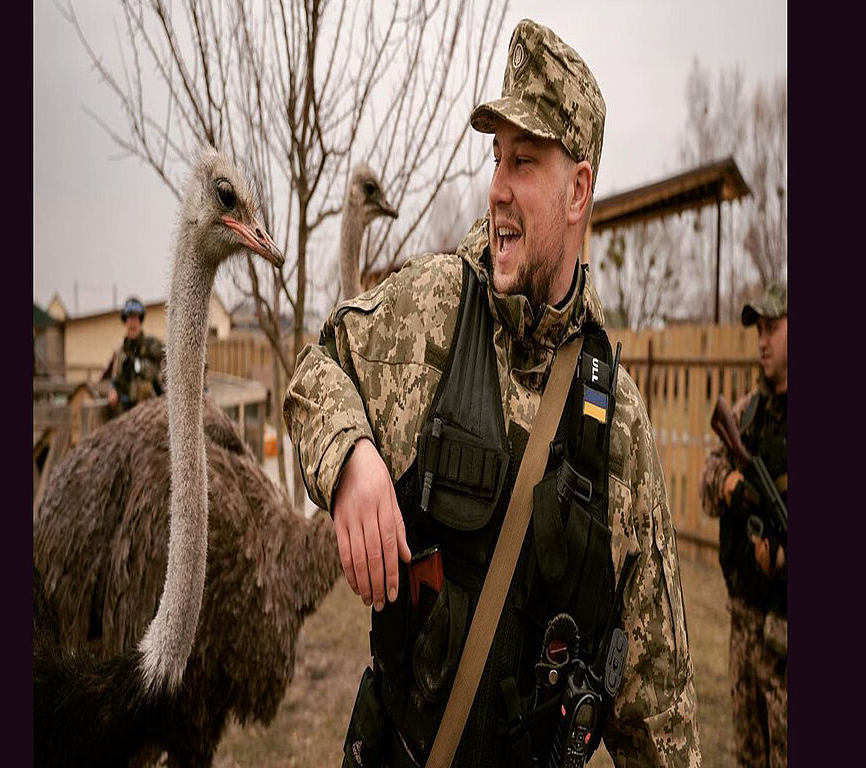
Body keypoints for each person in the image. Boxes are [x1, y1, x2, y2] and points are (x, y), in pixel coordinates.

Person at [284, 18, 699, 768]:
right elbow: (318, 373)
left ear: (578, 191)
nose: (498, 189)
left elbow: (661, 704)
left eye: (525, 162)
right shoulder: (432, 311)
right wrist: (350, 458)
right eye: (497, 157)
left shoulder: (619, 426)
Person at [700, 281, 787, 768]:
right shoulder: (746, 415)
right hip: (743, 628)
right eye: (758, 330)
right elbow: (706, 482)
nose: (763, 341)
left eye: (773, 328)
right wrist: (731, 484)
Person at [104, 296, 167, 415]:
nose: (132, 323)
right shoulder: (120, 352)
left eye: (135, 318)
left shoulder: (153, 346)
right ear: (125, 322)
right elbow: (115, 379)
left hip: (151, 411)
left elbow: (167, 369)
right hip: (127, 412)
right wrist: (113, 392)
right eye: (129, 318)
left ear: (140, 320)